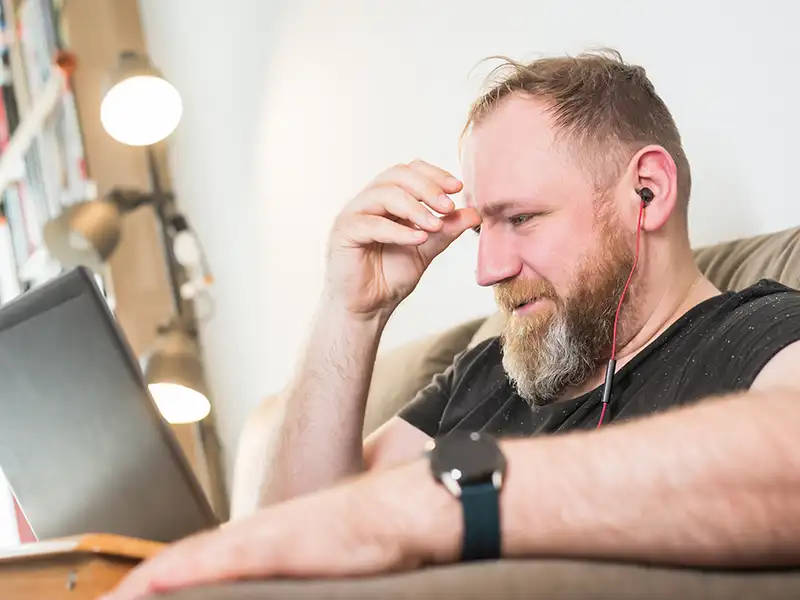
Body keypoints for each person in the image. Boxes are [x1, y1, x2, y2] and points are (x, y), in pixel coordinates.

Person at [103, 49, 800, 600]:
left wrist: (449, 501)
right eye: (480, 231)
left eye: (521, 219)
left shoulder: (753, 333)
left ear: (646, 191)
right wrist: (351, 311)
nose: (487, 271)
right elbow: (289, 536)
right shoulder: (485, 371)